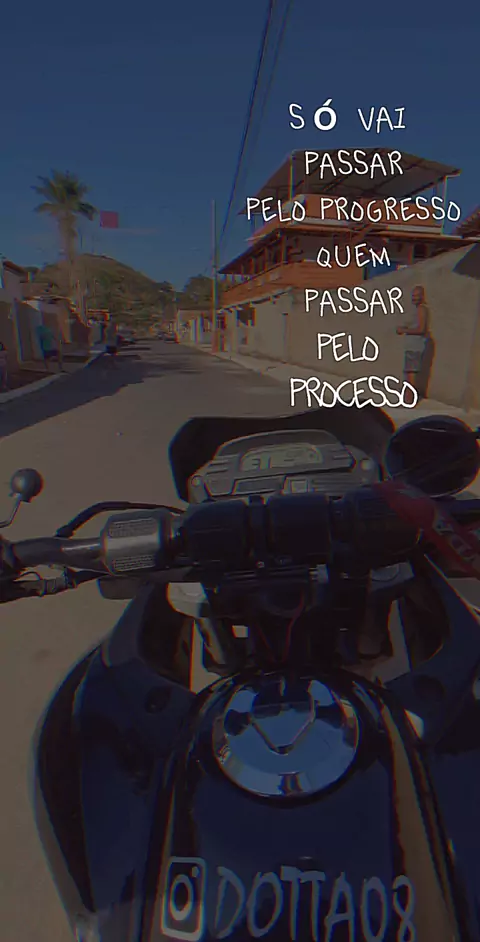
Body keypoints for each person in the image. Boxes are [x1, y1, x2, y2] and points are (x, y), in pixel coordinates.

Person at [396, 285, 432, 403]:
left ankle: (409, 401)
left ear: (422, 296)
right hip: (412, 347)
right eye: (413, 296)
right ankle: (407, 400)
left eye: (417, 296)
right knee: (408, 374)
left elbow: (421, 329)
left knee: (411, 375)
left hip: (415, 347)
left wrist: (404, 330)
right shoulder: (418, 309)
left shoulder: (422, 309)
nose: (414, 298)